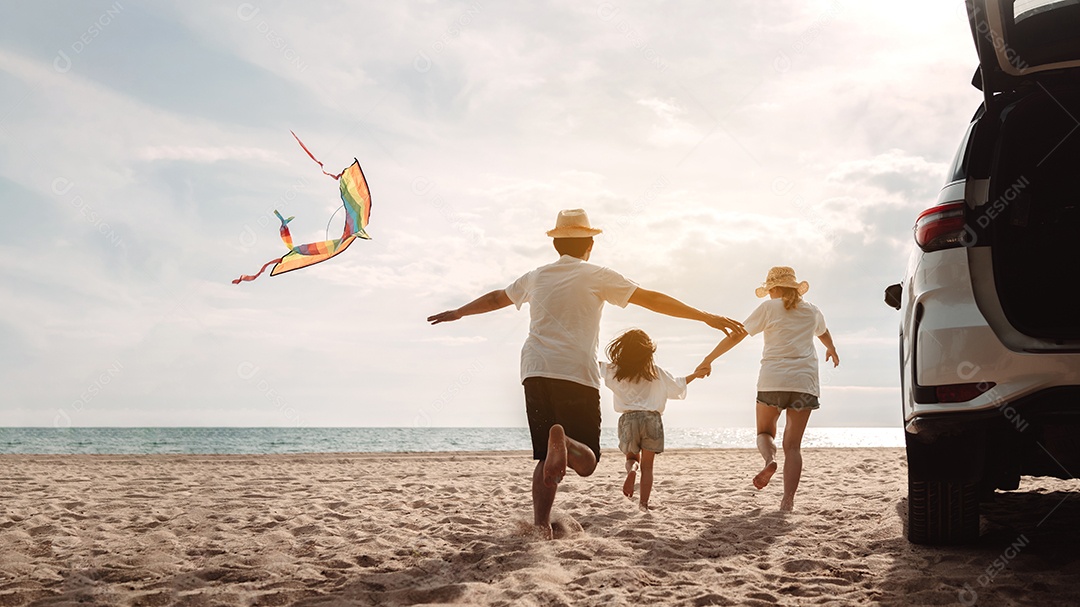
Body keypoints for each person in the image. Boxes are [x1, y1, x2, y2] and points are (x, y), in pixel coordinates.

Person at [427, 209, 742, 538]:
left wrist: (459, 312)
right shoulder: (598, 275)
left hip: (534, 370)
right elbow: (650, 299)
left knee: (545, 456)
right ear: (590, 245)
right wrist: (705, 316)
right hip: (575, 372)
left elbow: (496, 298)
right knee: (587, 462)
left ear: (556, 245)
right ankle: (564, 441)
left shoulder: (536, 276)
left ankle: (541, 525)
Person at [696, 266, 839, 511]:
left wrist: (709, 359)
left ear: (774, 289)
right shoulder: (812, 310)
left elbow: (737, 335)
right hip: (804, 384)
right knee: (793, 447)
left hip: (773, 381)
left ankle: (769, 460)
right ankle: (787, 501)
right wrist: (832, 349)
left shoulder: (769, 308)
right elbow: (824, 333)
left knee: (765, 432)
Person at [601, 328, 716, 511]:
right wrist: (695, 375)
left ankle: (632, 470)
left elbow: (592, 364)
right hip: (652, 419)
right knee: (648, 467)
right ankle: (643, 504)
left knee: (632, 458)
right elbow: (678, 385)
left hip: (628, 419)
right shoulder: (656, 373)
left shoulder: (615, 370)